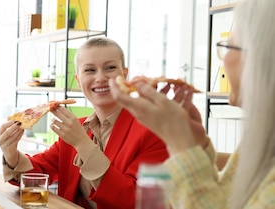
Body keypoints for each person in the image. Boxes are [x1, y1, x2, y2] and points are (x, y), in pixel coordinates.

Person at [108, 0, 275, 208]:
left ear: (263, 58)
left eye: (229, 45)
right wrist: (196, 146)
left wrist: (181, 144)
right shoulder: (262, 140)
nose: (223, 60)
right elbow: (226, 202)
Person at [0, 37, 169, 209]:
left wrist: (82, 144)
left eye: (110, 68)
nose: (100, 78)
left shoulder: (153, 131)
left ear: (124, 75)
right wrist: (10, 152)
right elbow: (38, 174)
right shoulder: (78, 128)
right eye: (90, 70)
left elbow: (137, 202)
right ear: (78, 80)